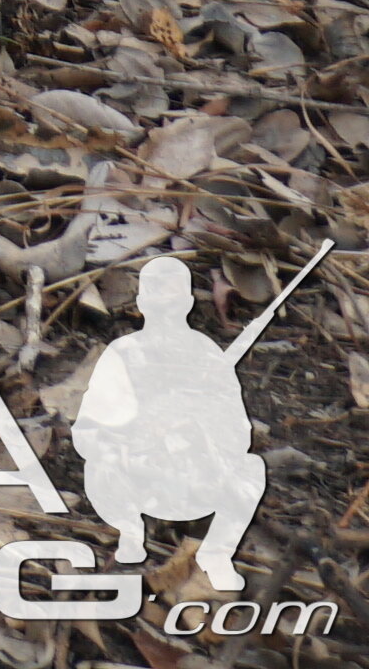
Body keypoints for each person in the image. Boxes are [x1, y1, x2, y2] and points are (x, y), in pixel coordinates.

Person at [72, 252, 271, 589]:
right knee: (100, 464)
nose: (166, 305)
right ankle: (130, 536)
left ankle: (217, 553)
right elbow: (87, 429)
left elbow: (240, 431)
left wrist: (201, 428)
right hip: (137, 473)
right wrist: (127, 442)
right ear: (141, 302)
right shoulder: (122, 352)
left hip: (194, 477)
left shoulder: (208, 355)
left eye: (174, 296)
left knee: (252, 468)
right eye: (157, 295)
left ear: (189, 302)